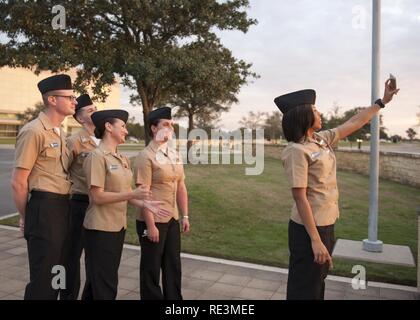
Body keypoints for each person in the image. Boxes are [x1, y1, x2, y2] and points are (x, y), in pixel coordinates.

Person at [274, 79, 399, 300]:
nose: (319, 112)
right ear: (304, 115)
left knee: (317, 280)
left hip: (325, 223)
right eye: (314, 109)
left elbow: (354, 122)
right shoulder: (296, 150)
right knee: (305, 286)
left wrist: (382, 102)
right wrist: (315, 240)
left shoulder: (320, 140)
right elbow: (300, 198)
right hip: (308, 229)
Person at [81, 109, 170, 300]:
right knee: (105, 284)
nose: (126, 131)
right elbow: (97, 197)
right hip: (100, 229)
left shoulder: (121, 159)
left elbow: (124, 194)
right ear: (108, 126)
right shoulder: (97, 157)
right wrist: (133, 193)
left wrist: (145, 205)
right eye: (122, 126)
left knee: (97, 282)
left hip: (117, 227)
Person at [11, 74, 76, 299]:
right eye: (69, 97)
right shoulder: (33, 131)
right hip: (44, 209)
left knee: (59, 271)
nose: (74, 101)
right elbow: (19, 181)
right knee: (44, 279)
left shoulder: (60, 133)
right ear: (52, 100)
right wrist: (25, 216)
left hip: (62, 207)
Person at [133, 107, 190, 300]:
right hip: (152, 220)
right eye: (166, 125)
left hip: (171, 218)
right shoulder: (145, 156)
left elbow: (181, 185)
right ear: (153, 129)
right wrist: (150, 225)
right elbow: (143, 194)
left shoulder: (174, 154)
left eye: (171, 125)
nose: (170, 129)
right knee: (151, 268)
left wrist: (185, 215)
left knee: (173, 265)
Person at [62, 94, 98, 300]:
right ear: (80, 118)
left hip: (100, 205)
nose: (95, 111)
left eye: (96, 108)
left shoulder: (104, 138)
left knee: (96, 258)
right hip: (79, 203)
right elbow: (61, 171)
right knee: (71, 257)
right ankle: (68, 296)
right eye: (90, 110)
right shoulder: (74, 141)